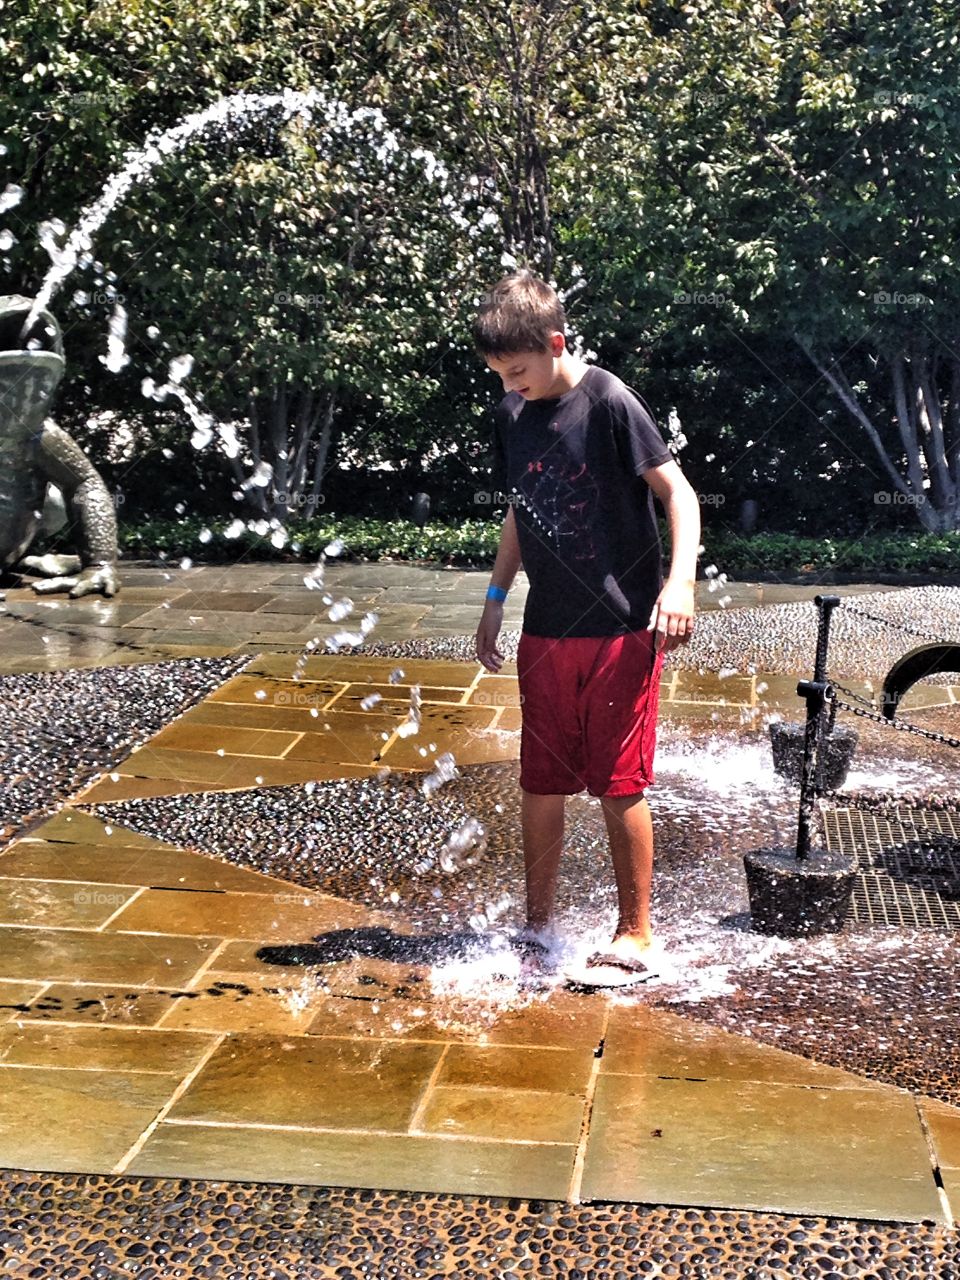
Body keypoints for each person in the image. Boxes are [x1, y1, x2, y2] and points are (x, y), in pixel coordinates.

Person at [472, 269, 700, 986]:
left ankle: (636, 933)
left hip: (620, 628)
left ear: (556, 343)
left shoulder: (607, 400)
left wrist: (680, 582)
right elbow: (520, 511)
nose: (511, 387)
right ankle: (538, 927)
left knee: (617, 782)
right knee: (539, 783)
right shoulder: (513, 414)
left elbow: (680, 495)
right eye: (499, 377)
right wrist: (494, 594)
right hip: (546, 632)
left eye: (519, 371)